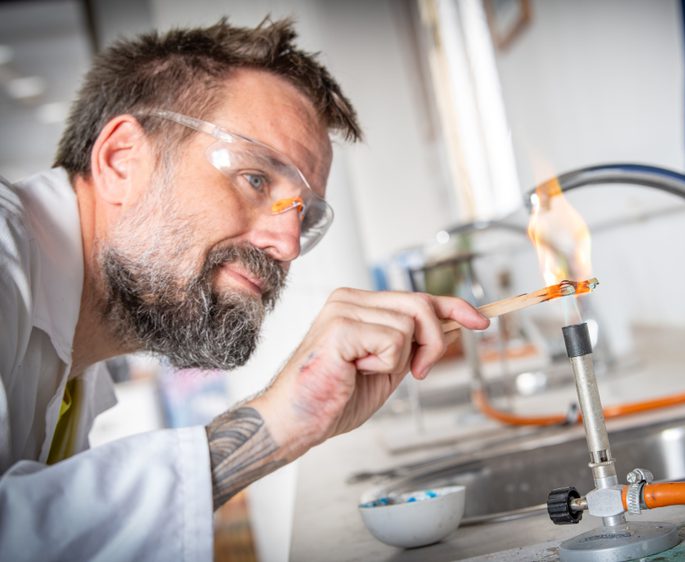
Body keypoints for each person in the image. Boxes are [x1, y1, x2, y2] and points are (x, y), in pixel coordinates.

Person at [0, 18, 488, 560]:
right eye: (255, 179)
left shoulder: (72, 362)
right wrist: (278, 421)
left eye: (305, 218)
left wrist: (294, 418)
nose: (288, 244)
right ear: (121, 161)